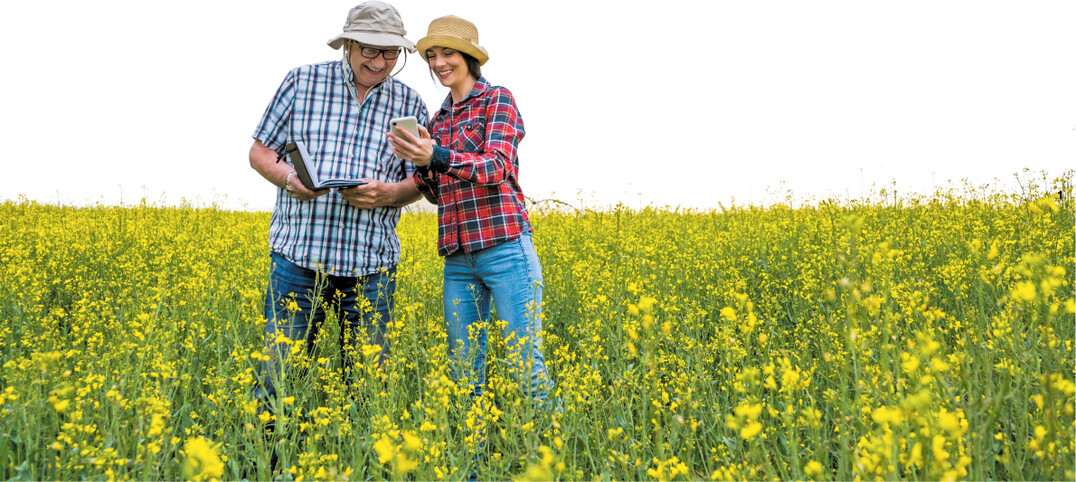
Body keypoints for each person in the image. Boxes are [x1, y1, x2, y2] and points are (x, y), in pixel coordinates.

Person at [248, 1, 428, 412]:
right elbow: (260, 152)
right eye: (369, 49)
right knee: (276, 384)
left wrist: (388, 193)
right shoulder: (302, 82)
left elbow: (418, 181)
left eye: (390, 53)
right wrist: (291, 179)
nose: (380, 62)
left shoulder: (411, 104)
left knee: (367, 393)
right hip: (299, 258)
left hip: (371, 266)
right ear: (347, 43)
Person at [388, 15, 555, 409]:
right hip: (458, 259)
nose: (439, 63)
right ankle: (472, 470)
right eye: (432, 55)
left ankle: (558, 460)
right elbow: (436, 193)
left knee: (526, 371)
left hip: (505, 248)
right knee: (464, 377)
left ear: (468, 56)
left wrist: (439, 155)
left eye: (448, 53)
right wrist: (422, 161)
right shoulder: (438, 119)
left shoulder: (498, 99)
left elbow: (497, 167)